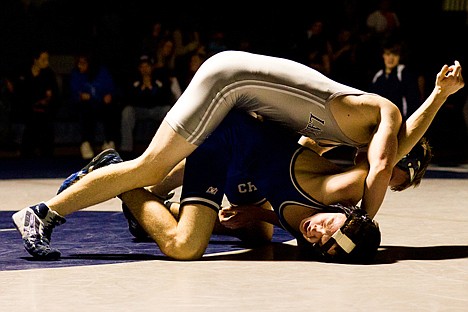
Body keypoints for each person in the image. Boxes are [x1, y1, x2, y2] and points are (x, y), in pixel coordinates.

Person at [12, 50, 464, 259]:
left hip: (240, 127)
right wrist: (440, 96)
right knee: (154, 167)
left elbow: (387, 162)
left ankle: (137, 192)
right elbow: (385, 163)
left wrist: (260, 218)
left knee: (229, 240)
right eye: (331, 228)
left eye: (320, 242)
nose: (316, 232)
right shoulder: (370, 130)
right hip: (228, 83)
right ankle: (45, 213)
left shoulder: (331, 146)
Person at [120, 55, 176, 157]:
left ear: (151, 67)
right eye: (142, 67)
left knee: (168, 110)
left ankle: (167, 147)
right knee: (127, 111)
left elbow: (165, 98)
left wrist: (150, 88)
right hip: (140, 111)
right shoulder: (134, 81)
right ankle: (126, 150)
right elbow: (129, 100)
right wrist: (142, 89)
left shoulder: (159, 79)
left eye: (147, 66)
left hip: (156, 110)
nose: (145, 69)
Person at [69, 52, 120, 159]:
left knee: (111, 109)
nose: (80, 66)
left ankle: (109, 142)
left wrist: (107, 95)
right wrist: (84, 97)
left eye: (83, 63)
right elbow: (76, 94)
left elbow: (110, 92)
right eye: (78, 63)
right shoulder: (76, 74)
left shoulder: (102, 72)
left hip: (102, 105)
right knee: (86, 110)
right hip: (85, 106)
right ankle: (86, 143)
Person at [13, 48, 60, 158]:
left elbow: (52, 95)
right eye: (43, 60)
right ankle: (26, 153)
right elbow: (19, 94)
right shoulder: (24, 73)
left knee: (42, 121)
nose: (47, 62)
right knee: (31, 121)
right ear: (35, 60)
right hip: (26, 109)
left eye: (47, 59)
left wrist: (45, 101)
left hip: (44, 110)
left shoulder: (49, 74)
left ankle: (46, 154)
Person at [369, 41, 424, 120]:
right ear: (383, 55)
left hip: (401, 122)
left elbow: (413, 102)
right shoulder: (378, 77)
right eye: (388, 54)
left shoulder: (404, 74)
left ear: (399, 57)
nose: (391, 58)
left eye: (395, 54)